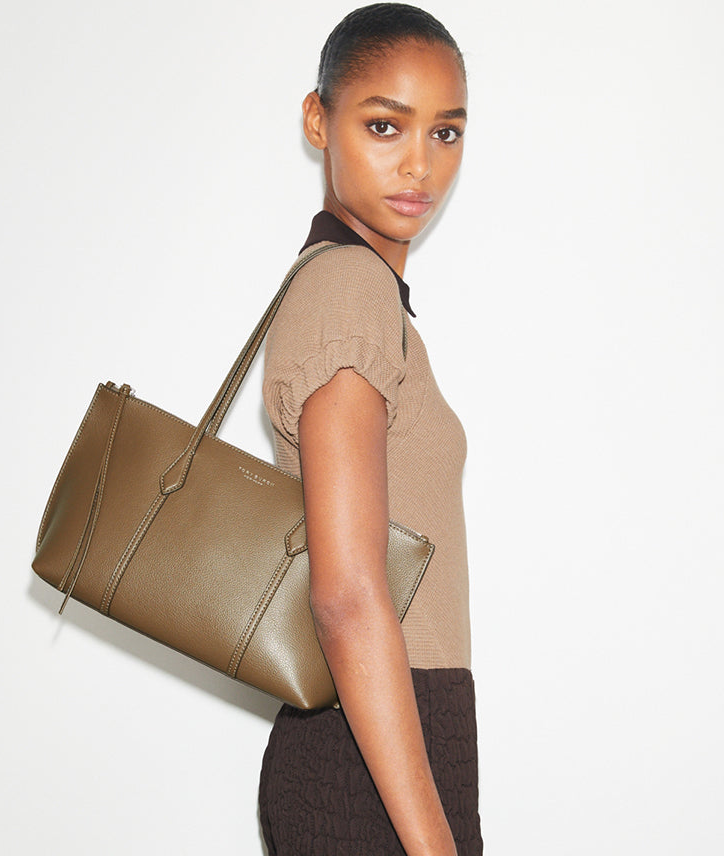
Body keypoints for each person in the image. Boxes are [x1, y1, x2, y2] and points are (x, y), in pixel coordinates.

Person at [258, 4, 483, 854]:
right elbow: (349, 597)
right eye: (385, 125)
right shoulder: (349, 289)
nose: (419, 164)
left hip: (388, 738)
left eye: (445, 132)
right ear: (318, 121)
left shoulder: (364, 295)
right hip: (370, 757)